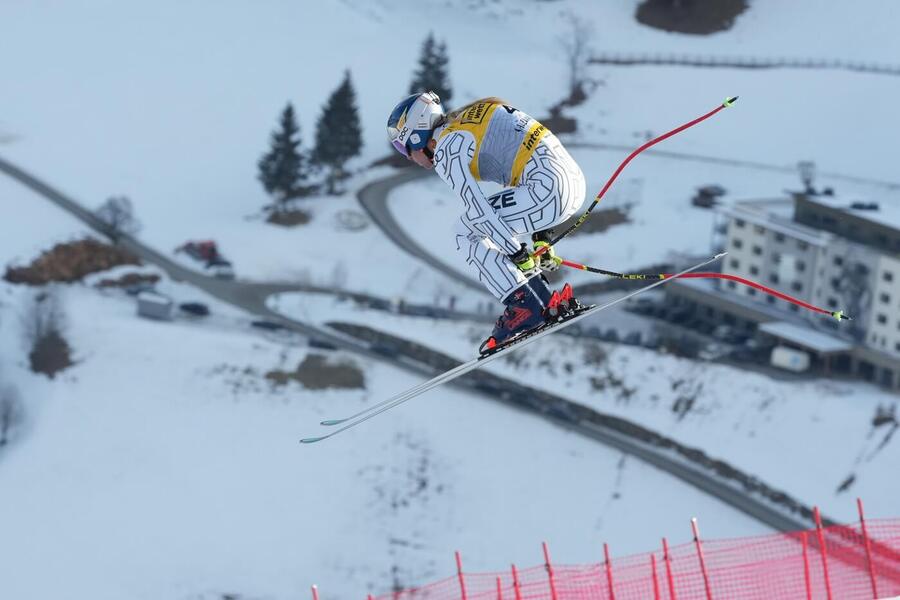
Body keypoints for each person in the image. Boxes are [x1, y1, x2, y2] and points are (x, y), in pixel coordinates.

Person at [387, 91, 587, 352]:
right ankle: (540, 298)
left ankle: (526, 305)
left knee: (464, 232)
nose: (408, 157)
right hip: (570, 185)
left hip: (548, 191)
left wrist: (516, 252)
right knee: (484, 226)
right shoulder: (474, 114)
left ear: (418, 135)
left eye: (405, 149)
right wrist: (541, 238)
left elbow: (479, 209)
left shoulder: (448, 147)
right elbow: (531, 161)